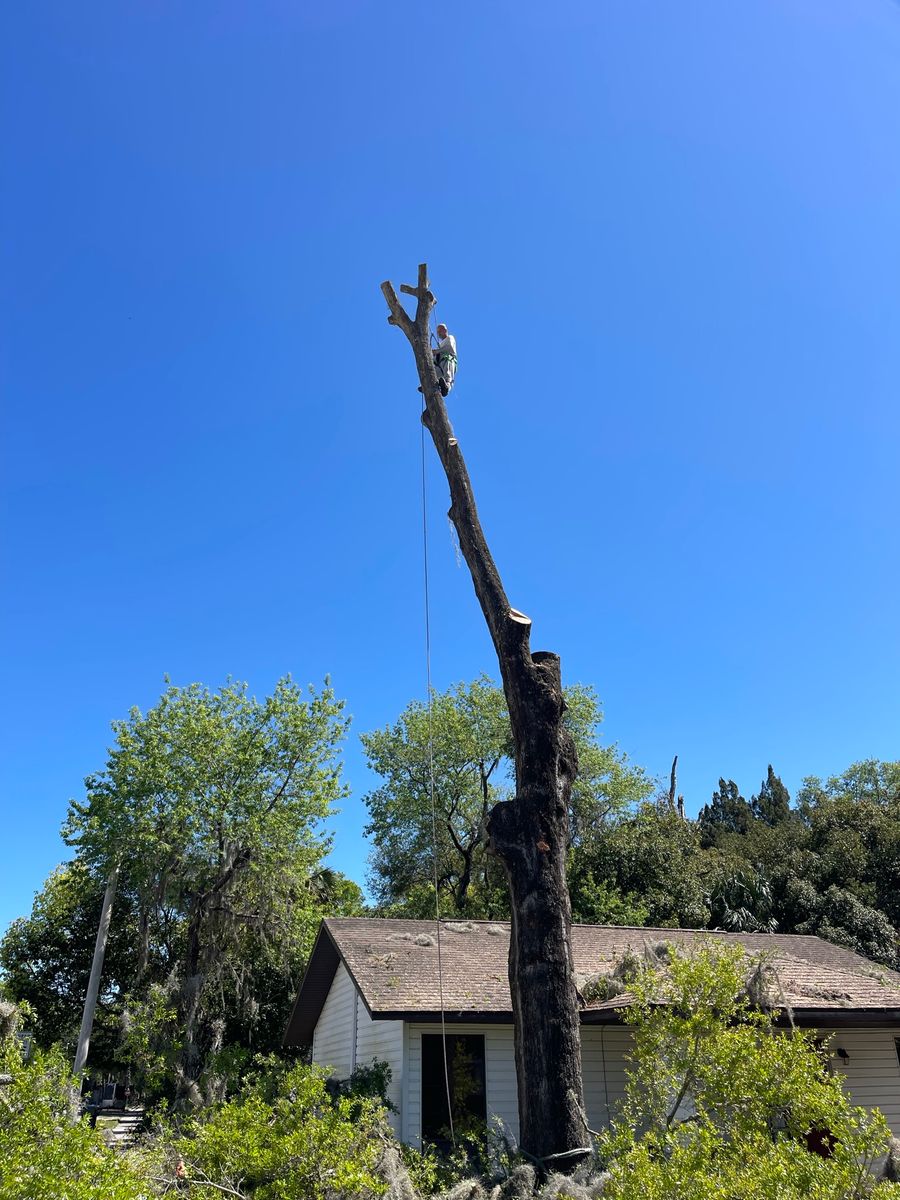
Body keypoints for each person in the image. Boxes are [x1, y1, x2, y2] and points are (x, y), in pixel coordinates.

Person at [433, 323, 457, 396]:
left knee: (448, 375)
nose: (438, 334)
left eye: (440, 331)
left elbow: (449, 347)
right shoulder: (440, 344)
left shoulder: (450, 337)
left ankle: (446, 387)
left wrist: (436, 351)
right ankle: (427, 385)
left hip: (448, 359)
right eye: (438, 332)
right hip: (439, 364)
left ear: (445, 330)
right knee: (434, 374)